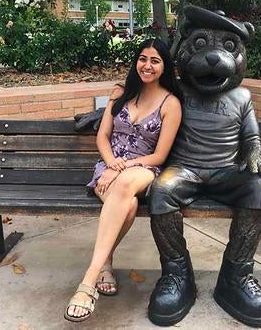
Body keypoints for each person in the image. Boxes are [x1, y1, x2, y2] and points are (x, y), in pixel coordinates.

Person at [64, 38, 183, 322]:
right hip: (107, 168)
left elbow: (160, 155)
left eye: (155, 61)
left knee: (127, 184)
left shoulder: (171, 103)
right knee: (127, 206)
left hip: (142, 169)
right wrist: (109, 164)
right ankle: (105, 263)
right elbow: (102, 137)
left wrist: (121, 166)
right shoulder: (120, 93)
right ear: (136, 62)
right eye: (143, 59)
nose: (147, 65)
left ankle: (88, 281)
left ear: (164, 66)